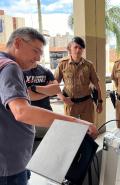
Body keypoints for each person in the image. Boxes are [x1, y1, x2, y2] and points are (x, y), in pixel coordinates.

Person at [0, 27, 97, 185]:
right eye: (35, 50)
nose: (38, 58)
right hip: (8, 166)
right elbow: (22, 111)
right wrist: (77, 123)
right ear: (18, 43)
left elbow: (31, 95)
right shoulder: (10, 67)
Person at [54, 37, 103, 125]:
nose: (78, 50)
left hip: (87, 104)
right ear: (70, 48)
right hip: (70, 104)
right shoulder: (62, 64)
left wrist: (100, 102)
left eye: (80, 48)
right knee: (71, 131)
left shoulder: (89, 65)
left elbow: (96, 84)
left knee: (89, 130)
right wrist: (63, 98)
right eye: (75, 47)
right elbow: (54, 84)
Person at [23, 61, 61, 152]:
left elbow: (56, 89)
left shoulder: (45, 70)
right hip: (29, 118)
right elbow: (28, 96)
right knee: (31, 149)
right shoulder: (20, 71)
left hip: (47, 114)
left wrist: (34, 88)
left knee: (48, 148)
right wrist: (47, 91)